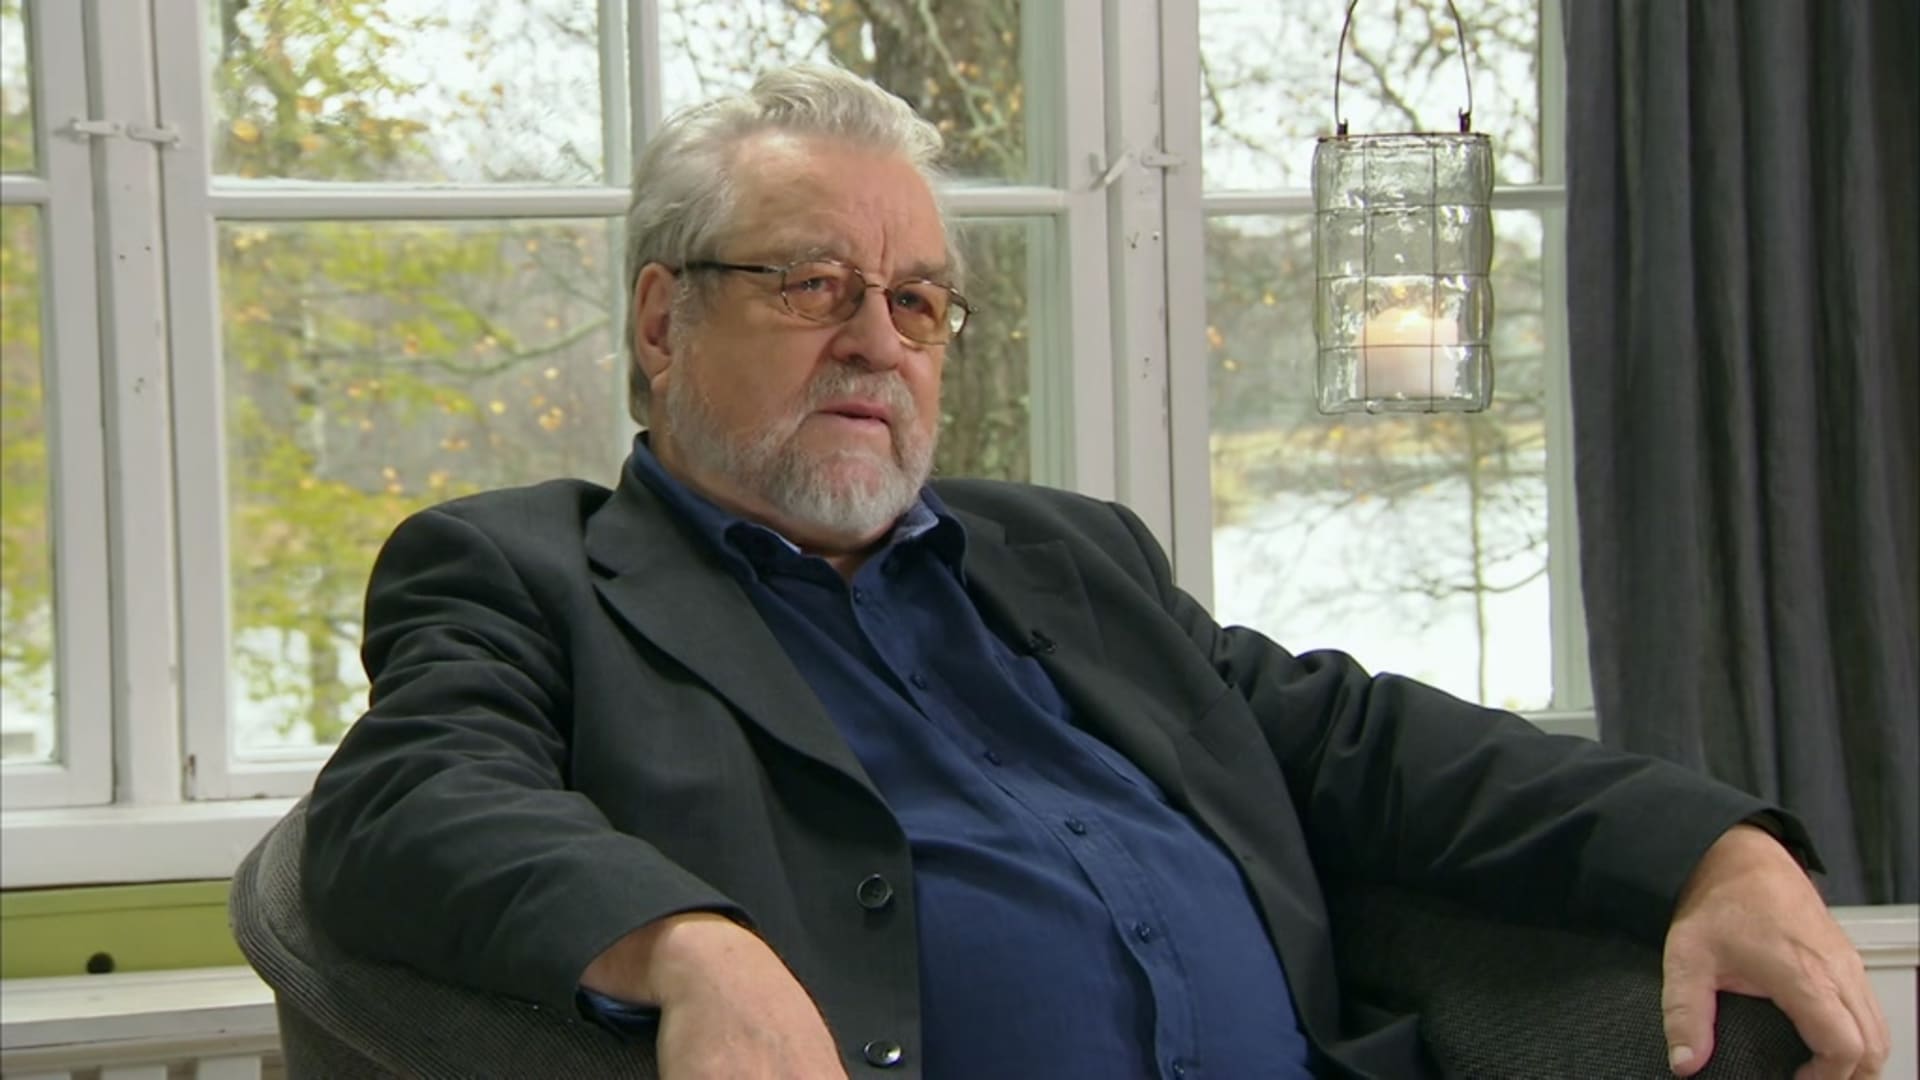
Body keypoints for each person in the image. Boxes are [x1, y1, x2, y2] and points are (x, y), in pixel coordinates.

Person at [301, 64, 1887, 1080]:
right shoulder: (525, 571)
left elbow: (1361, 740)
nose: (878, 339)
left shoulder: (1067, 553)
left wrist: (1717, 846)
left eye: (919, 301)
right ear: (662, 321)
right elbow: (411, 797)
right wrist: (687, 945)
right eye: (813, 284)